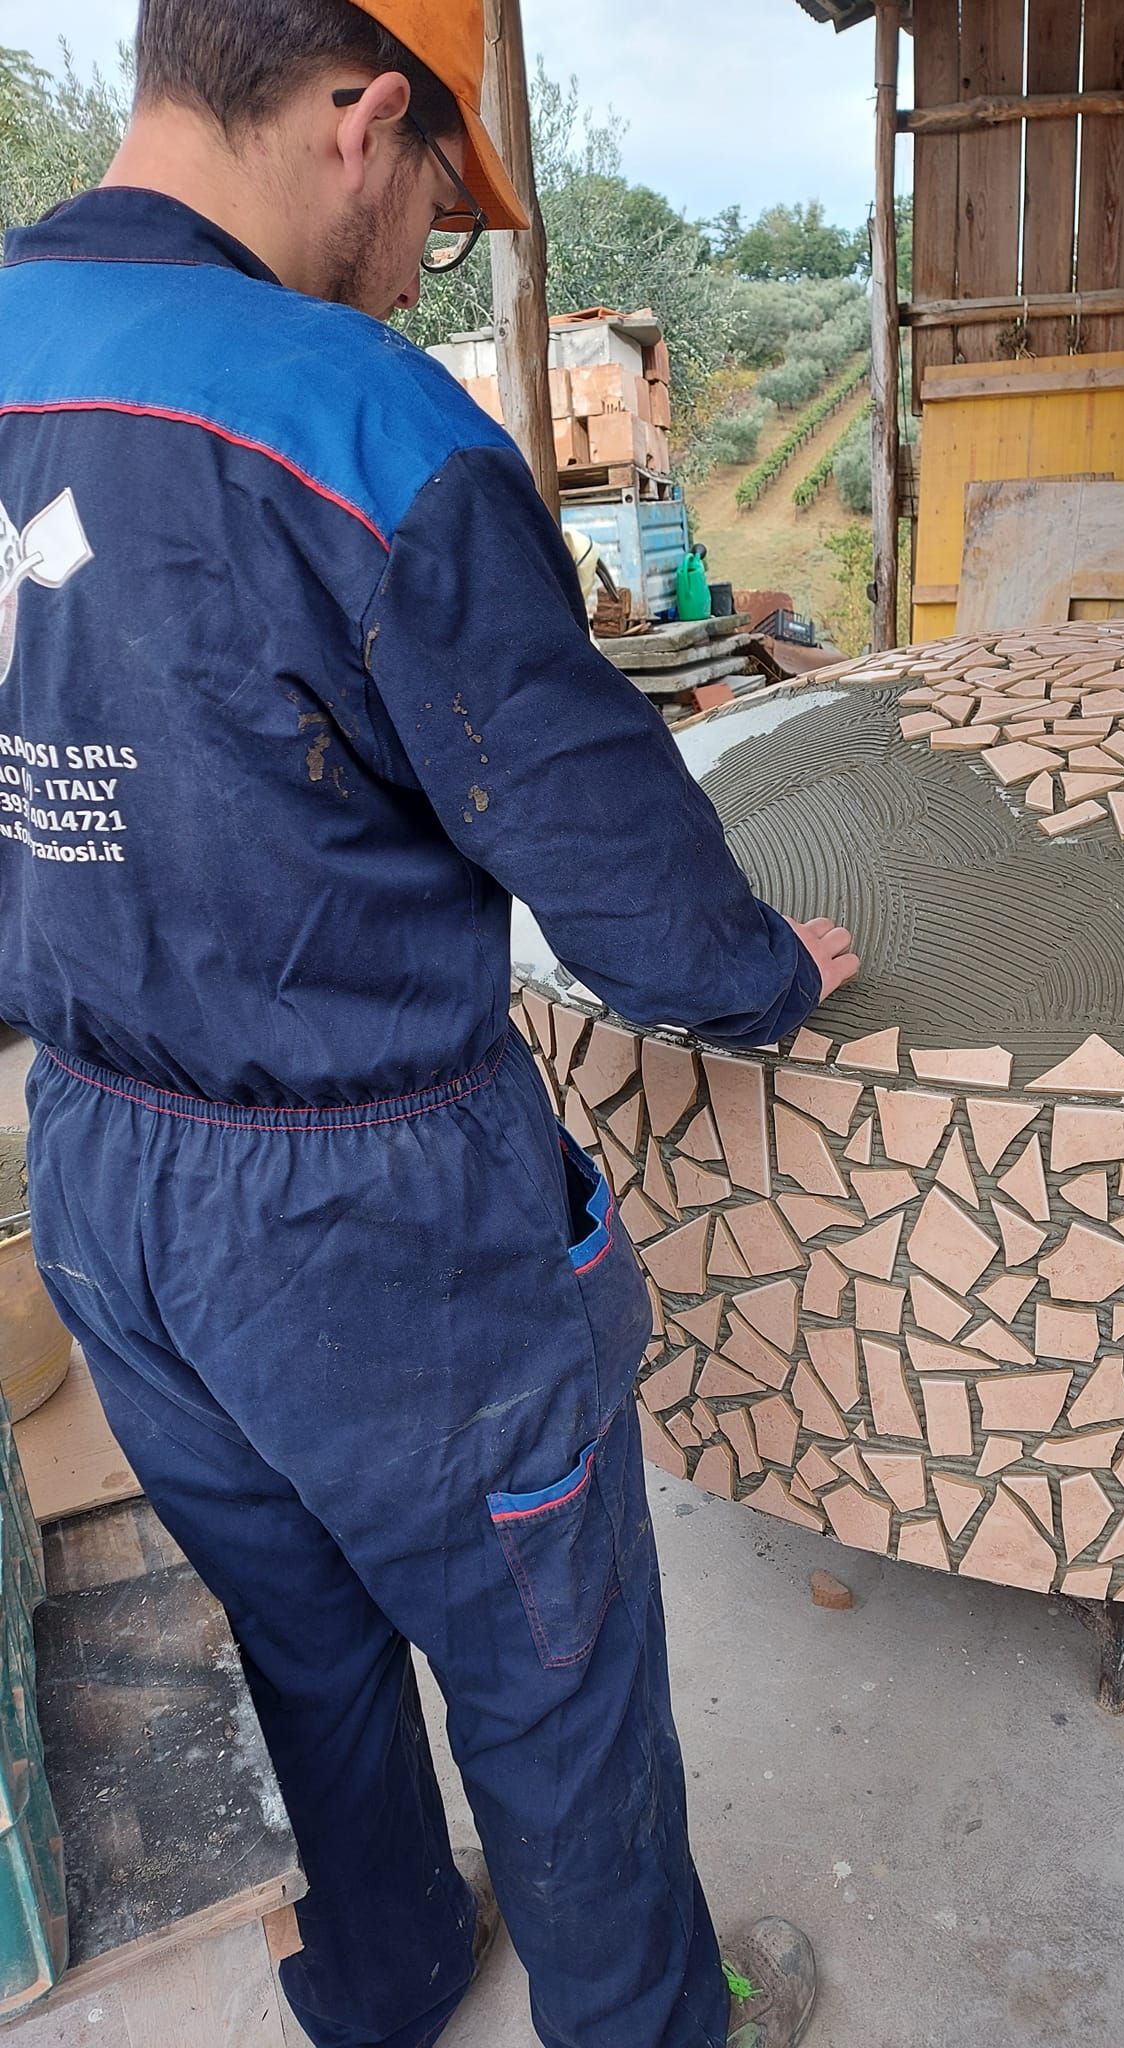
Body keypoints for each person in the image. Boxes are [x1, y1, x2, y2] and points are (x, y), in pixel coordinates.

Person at [0, 3, 858, 2044]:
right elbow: (636, 905)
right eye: (434, 220)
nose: (416, 265)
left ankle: (380, 1969)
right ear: (358, 116)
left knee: (295, 1623)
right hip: (376, 1220)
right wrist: (763, 969)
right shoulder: (362, 425)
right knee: (551, 1677)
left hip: (100, 1170)